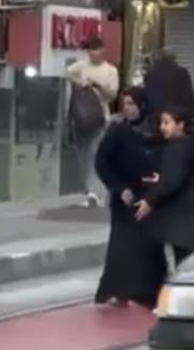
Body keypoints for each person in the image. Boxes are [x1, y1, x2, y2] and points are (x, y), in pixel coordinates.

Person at [134, 106, 194, 301]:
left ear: (180, 125)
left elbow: (172, 180)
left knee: (175, 259)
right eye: (162, 122)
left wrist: (150, 199)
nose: (162, 127)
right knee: (184, 258)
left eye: (167, 123)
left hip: (176, 211)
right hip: (187, 210)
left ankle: (171, 297)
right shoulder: (192, 145)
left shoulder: (179, 148)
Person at [94, 87, 158, 307]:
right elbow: (102, 163)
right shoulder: (118, 132)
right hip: (124, 199)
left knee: (148, 247)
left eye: (132, 104)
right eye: (125, 104)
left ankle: (146, 292)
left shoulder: (155, 131)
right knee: (121, 245)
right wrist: (119, 188)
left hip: (150, 198)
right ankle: (116, 290)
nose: (128, 109)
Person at [66, 35, 119, 207]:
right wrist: (79, 82)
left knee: (96, 154)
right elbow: (66, 73)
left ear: (102, 50)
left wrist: (97, 86)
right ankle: (90, 189)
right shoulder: (81, 66)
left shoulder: (110, 70)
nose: (92, 54)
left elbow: (112, 94)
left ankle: (96, 192)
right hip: (80, 118)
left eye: (95, 50)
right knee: (83, 157)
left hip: (100, 118)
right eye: (89, 50)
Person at [144, 50, 194, 119]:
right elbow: (188, 95)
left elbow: (148, 96)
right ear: (173, 59)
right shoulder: (182, 72)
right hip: (178, 114)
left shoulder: (150, 75)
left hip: (157, 114)